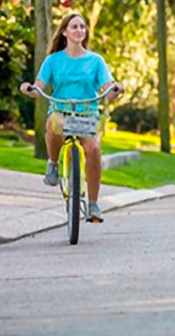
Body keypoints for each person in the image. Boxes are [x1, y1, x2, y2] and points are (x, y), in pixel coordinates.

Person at [20, 12, 123, 223]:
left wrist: (115, 89)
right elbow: (38, 87)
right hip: (61, 110)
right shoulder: (53, 60)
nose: (79, 30)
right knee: (53, 123)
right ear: (65, 32)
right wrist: (28, 88)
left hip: (87, 114)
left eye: (82, 27)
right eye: (74, 27)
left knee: (93, 150)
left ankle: (93, 204)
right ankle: (53, 163)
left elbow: (107, 87)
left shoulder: (96, 61)